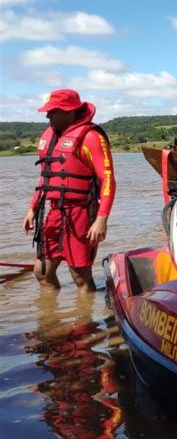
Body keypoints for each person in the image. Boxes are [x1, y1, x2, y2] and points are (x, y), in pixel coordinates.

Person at [22, 89, 116, 294]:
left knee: (80, 277)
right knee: (42, 272)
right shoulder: (49, 137)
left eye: (52, 111)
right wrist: (32, 208)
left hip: (81, 213)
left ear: (69, 111)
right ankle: (50, 320)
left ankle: (85, 323)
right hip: (54, 213)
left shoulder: (91, 137)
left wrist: (101, 219)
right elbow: (45, 178)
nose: (47, 116)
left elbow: (108, 179)